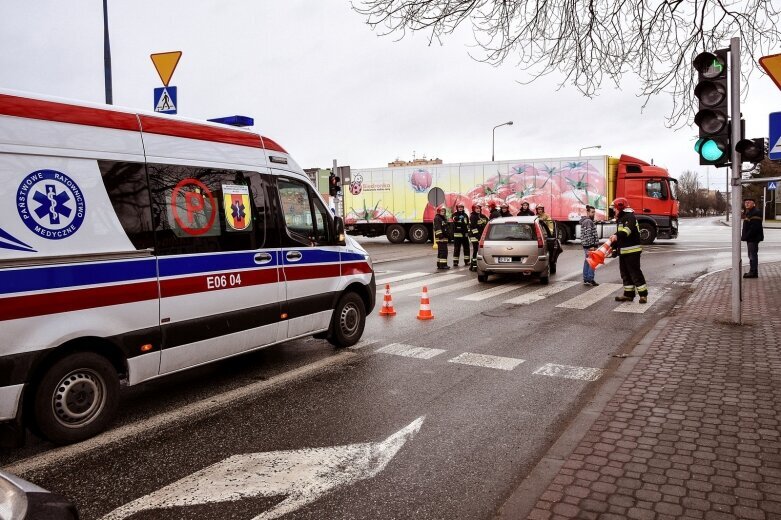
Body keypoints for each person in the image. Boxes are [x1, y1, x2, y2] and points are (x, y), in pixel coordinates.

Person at [609, 197, 648, 303]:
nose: (614, 210)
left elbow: (626, 231)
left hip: (632, 252)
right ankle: (628, 295)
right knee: (625, 273)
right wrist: (613, 248)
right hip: (624, 252)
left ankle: (643, 295)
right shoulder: (621, 219)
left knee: (635, 273)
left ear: (620, 208)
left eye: (615, 208)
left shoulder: (630, 217)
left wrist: (616, 236)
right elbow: (620, 236)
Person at [741, 198, 764, 278]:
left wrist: (746, 236)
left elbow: (754, 228)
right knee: (751, 255)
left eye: (749, 202)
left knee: (752, 255)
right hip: (751, 238)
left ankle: (753, 272)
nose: (746, 204)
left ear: (753, 204)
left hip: (753, 238)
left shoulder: (755, 212)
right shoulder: (750, 212)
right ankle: (753, 271)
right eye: (746, 202)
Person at [580, 205, 599, 286]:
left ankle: (586, 279)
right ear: (587, 212)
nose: (593, 214)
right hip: (589, 246)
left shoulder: (586, 221)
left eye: (594, 212)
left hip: (586, 245)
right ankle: (590, 279)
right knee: (592, 262)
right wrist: (592, 245)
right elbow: (588, 234)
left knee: (587, 262)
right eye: (592, 212)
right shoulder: (588, 221)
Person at [469, 203, 488, 271]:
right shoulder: (473, 217)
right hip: (475, 236)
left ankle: (472, 265)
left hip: (481, 236)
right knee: (476, 250)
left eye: (479, 208)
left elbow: (487, 225)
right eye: (476, 208)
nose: (478, 209)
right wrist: (478, 237)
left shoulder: (483, 216)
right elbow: (473, 228)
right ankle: (474, 265)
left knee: (480, 251)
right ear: (473, 209)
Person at [451, 203, 471, 267]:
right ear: (457, 208)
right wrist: (459, 217)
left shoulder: (465, 215)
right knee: (457, 249)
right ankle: (455, 262)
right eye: (459, 207)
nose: (460, 208)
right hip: (457, 235)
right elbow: (454, 219)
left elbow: (467, 224)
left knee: (466, 248)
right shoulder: (455, 214)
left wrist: (468, 232)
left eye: (462, 207)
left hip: (465, 234)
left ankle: (467, 261)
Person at [433, 205, 451, 270]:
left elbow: (445, 227)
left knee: (441, 252)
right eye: (442, 211)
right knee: (444, 252)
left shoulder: (443, 218)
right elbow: (438, 228)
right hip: (441, 238)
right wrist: (441, 236)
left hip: (444, 238)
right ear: (438, 211)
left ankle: (439, 264)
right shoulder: (437, 218)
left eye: (444, 211)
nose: (443, 212)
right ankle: (443, 265)